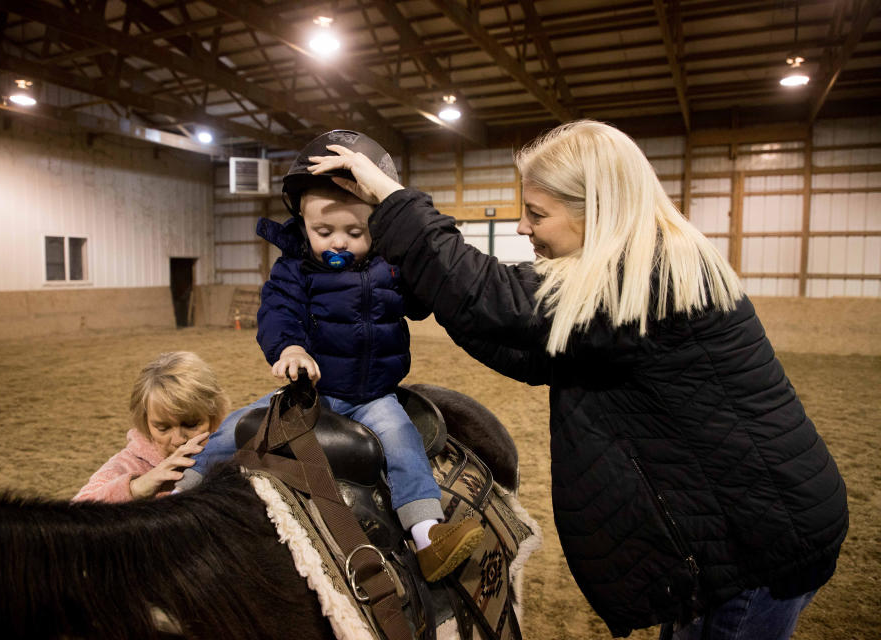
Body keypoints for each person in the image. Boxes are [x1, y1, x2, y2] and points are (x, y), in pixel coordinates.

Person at [304, 120, 849, 639]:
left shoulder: (649, 277)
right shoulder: (639, 270)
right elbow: (527, 344)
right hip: (734, 534)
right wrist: (428, 289)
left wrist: (395, 202)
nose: (522, 227)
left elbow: (498, 300)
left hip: (752, 548)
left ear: (598, 212)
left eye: (536, 214)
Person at [179, 130, 484, 583]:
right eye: (323, 231)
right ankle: (179, 496)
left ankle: (427, 536)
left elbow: (421, 300)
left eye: (354, 231)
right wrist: (291, 348)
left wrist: (418, 249)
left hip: (375, 395)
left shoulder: (391, 268)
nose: (337, 242)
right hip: (311, 391)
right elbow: (278, 312)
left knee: (402, 443)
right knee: (234, 429)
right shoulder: (294, 269)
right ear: (302, 225)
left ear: (377, 230)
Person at [73, 351, 229, 502]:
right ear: (145, 424)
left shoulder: (234, 451)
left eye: (191, 424)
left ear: (214, 415)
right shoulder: (129, 464)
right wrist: (135, 488)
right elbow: (76, 514)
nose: (178, 440)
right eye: (163, 428)